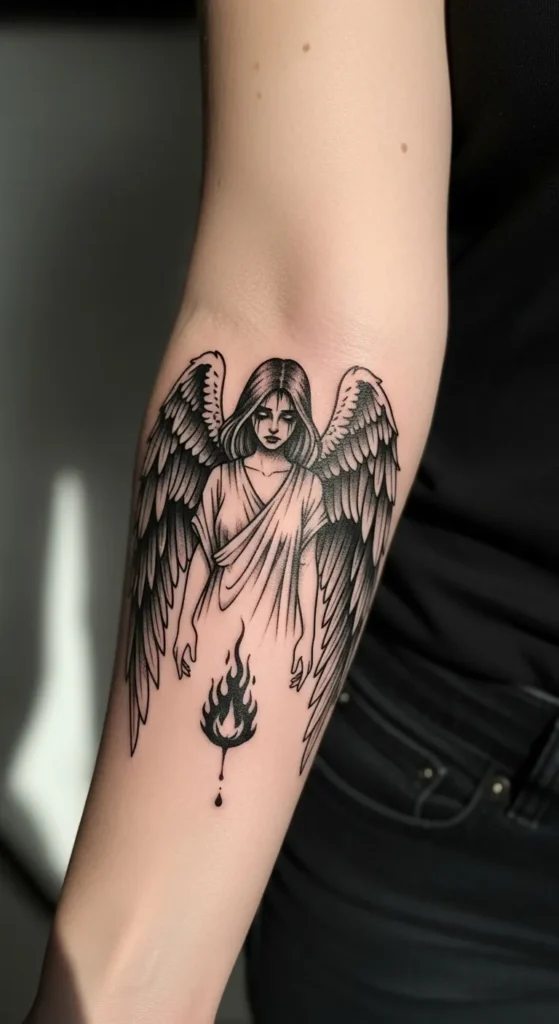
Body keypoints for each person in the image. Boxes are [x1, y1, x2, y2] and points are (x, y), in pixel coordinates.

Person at [26, 1, 559, 1022]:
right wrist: (128, 987)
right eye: (263, 415)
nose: (273, 421)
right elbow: (304, 312)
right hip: (441, 799)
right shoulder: (253, 460)